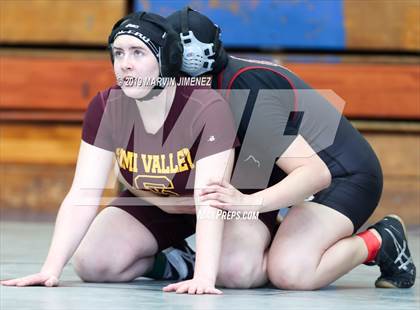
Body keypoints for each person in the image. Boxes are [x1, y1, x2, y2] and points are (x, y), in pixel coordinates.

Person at [1, 11, 269, 295]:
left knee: (235, 271)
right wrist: (50, 270)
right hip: (161, 199)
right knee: (95, 263)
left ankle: (267, 246)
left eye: (138, 53)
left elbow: (209, 199)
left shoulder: (206, 107)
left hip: (226, 205)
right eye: (118, 53)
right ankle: (177, 263)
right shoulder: (107, 106)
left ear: (166, 59)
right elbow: (83, 192)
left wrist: (204, 277)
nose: (125, 65)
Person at [164, 7, 416, 290]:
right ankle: (286, 230)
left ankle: (382, 240)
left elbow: (313, 174)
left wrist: (247, 204)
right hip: (271, 171)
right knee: (234, 271)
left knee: (291, 272)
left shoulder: (244, 93)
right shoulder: (183, 86)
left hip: (340, 176)